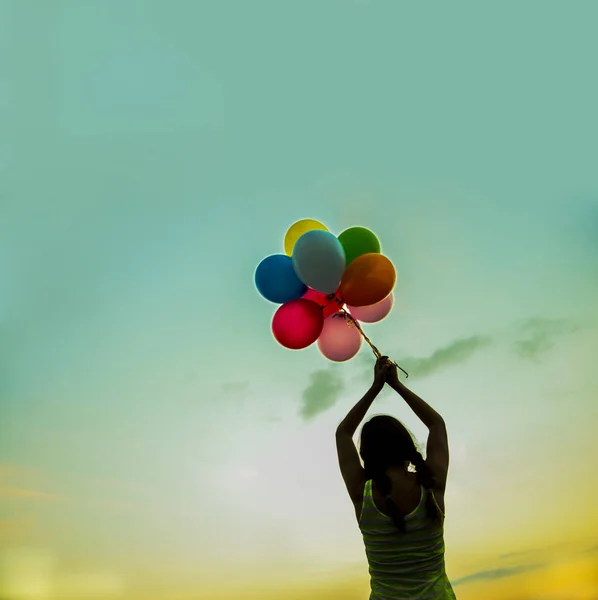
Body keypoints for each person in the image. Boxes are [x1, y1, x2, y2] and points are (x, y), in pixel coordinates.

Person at [335, 356, 456, 599]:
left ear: (366, 453)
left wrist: (375, 388)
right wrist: (396, 385)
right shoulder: (431, 485)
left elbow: (343, 433)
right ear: (406, 445)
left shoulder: (363, 493)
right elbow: (436, 424)